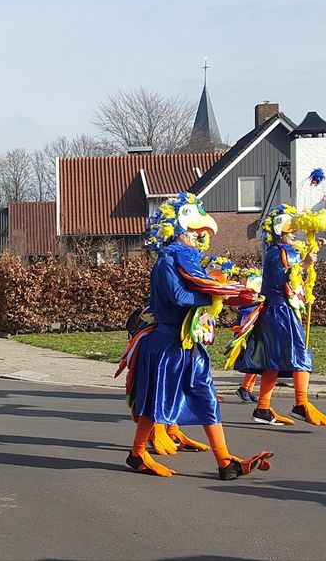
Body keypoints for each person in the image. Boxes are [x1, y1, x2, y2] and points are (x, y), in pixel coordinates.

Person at [126, 193, 274, 480]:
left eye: (200, 231)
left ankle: (224, 461)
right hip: (167, 345)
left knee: (207, 398)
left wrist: (236, 293)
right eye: (193, 229)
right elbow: (180, 296)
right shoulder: (167, 261)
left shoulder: (191, 260)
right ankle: (137, 452)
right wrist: (215, 295)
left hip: (189, 346)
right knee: (156, 403)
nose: (199, 234)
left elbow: (205, 288)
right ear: (177, 228)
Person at [237, 205, 326, 426]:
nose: (293, 235)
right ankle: (300, 404)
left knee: (274, 361)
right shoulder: (275, 252)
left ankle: (262, 408)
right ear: (281, 230)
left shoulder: (283, 249)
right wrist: (305, 264)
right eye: (290, 232)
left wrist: (313, 245)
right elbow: (282, 276)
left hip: (279, 310)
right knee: (300, 354)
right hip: (279, 310)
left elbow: (295, 263)